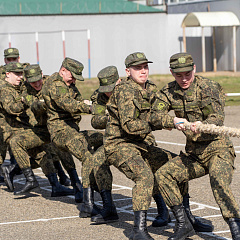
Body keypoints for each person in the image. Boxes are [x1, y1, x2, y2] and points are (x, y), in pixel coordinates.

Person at [151, 52, 240, 240]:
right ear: (172, 73)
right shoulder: (168, 91)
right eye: (178, 75)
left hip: (218, 148)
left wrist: (199, 126)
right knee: (163, 175)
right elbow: (154, 115)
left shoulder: (208, 87)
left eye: (187, 74)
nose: (184, 79)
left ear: (194, 69)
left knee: (219, 182)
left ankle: (236, 228)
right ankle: (184, 223)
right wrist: (172, 120)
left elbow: (216, 118)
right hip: (194, 155)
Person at [104, 52, 181, 240]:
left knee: (176, 165)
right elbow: (130, 125)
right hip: (119, 144)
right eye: (138, 68)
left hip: (141, 143)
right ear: (127, 71)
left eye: (145, 67)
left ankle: (185, 220)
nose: (143, 71)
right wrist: (166, 122)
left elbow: (163, 106)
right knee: (145, 177)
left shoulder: (150, 88)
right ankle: (138, 231)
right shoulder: (125, 91)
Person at [42, 57, 104, 209]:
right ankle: (88, 203)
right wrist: (89, 108)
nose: (74, 81)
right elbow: (68, 104)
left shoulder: (68, 83)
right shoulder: (56, 84)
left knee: (100, 138)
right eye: (72, 77)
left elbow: (79, 101)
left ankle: (90, 182)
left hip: (71, 130)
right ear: (63, 70)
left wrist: (98, 107)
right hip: (60, 131)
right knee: (87, 158)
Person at [81, 66, 121, 223]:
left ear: (118, 81)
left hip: (136, 138)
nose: (107, 93)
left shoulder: (130, 90)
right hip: (113, 138)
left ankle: (163, 209)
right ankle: (109, 207)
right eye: (105, 89)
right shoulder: (99, 95)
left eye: (110, 88)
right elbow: (96, 121)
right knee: (97, 158)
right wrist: (113, 118)